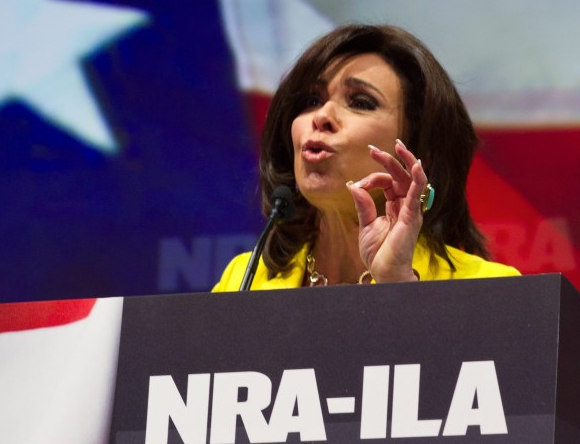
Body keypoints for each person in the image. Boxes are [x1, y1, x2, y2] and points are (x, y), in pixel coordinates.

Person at [213, 24, 519, 291]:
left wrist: (397, 286)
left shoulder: (487, 291)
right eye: (312, 100)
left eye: (360, 102)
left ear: (418, 148)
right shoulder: (245, 281)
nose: (322, 116)